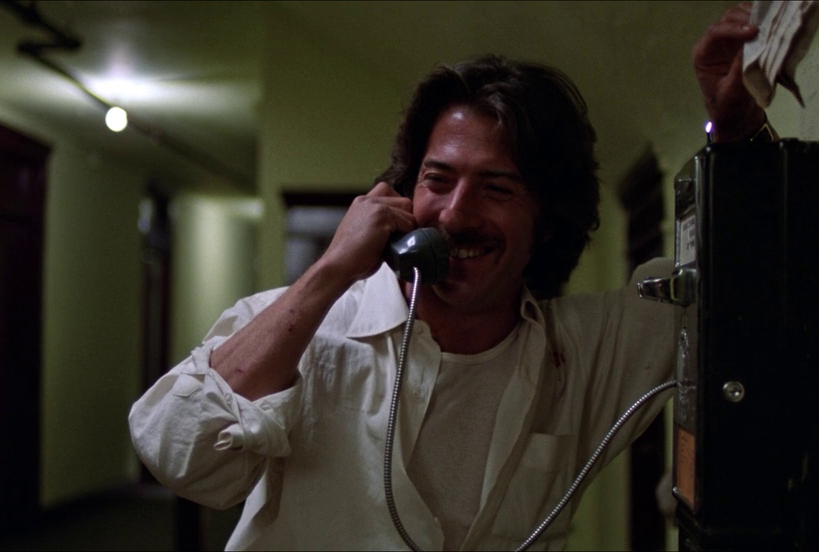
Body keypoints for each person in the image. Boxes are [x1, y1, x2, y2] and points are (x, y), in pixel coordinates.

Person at [130, 3, 765, 550]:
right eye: (437, 180)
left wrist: (734, 132)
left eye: (497, 187)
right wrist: (331, 269)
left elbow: (736, 273)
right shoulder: (307, 327)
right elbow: (177, 454)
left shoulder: (583, 351)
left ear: (547, 220)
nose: (457, 215)